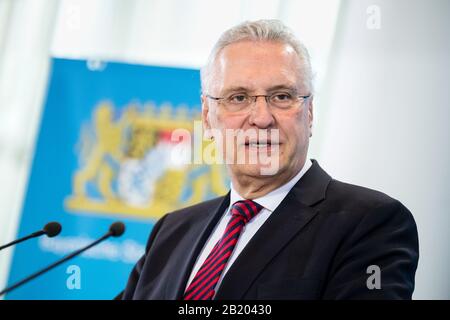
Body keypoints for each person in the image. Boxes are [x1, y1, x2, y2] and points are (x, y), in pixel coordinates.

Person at [119, 19, 418, 300]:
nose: (262, 118)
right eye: (238, 98)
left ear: (309, 112)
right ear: (207, 117)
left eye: (282, 96)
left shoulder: (371, 222)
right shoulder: (171, 230)